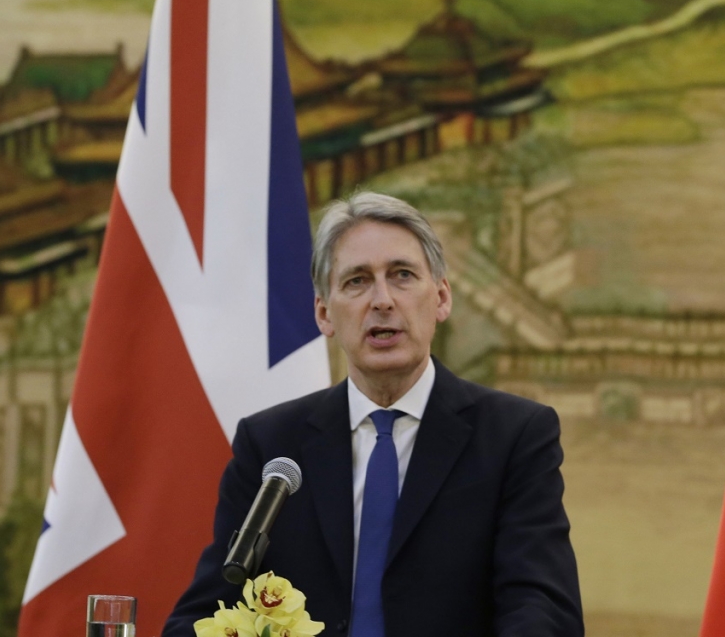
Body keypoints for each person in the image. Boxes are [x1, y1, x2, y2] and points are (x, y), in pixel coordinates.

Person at [163, 192, 584, 637]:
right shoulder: (272, 447)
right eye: (357, 282)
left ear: (441, 298)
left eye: (402, 276)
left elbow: (544, 611)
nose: (382, 300)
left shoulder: (514, 436)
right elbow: (202, 616)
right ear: (325, 314)